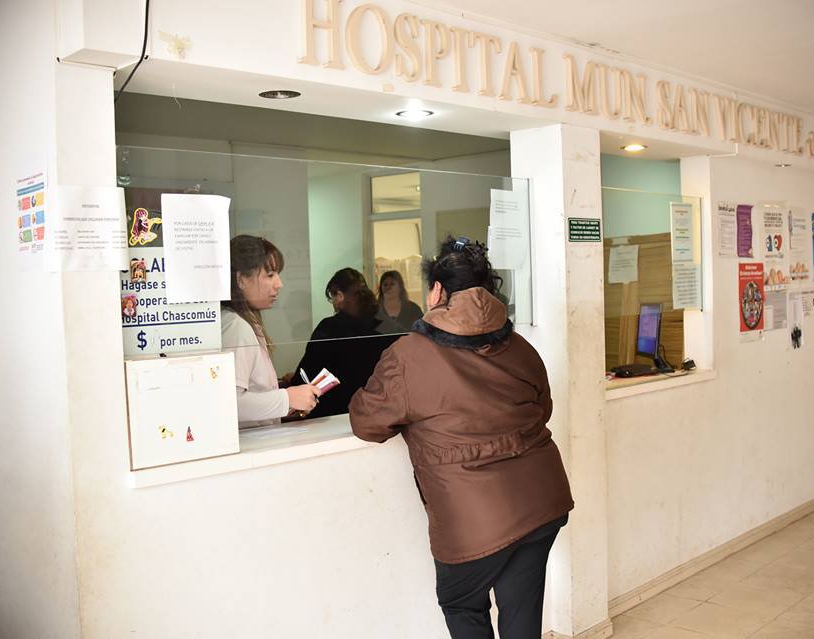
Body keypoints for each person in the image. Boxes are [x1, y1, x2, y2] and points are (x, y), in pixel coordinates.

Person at [349, 237, 573, 639]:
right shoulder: (520, 347)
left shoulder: (408, 355)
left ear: (437, 291)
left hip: (472, 520)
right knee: (521, 612)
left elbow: (367, 422)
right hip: (542, 501)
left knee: (462, 604)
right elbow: (543, 408)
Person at [222, 235, 320, 428]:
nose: (279, 284)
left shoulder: (245, 322)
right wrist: (287, 399)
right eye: (270, 275)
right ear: (241, 280)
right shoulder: (236, 326)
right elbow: (230, 403)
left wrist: (290, 403)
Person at [293, 268, 399, 418]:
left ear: (339, 295)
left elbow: (308, 371)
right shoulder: (386, 326)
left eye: (332, 297)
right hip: (376, 411)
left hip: (332, 414)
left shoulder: (329, 328)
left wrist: (291, 388)